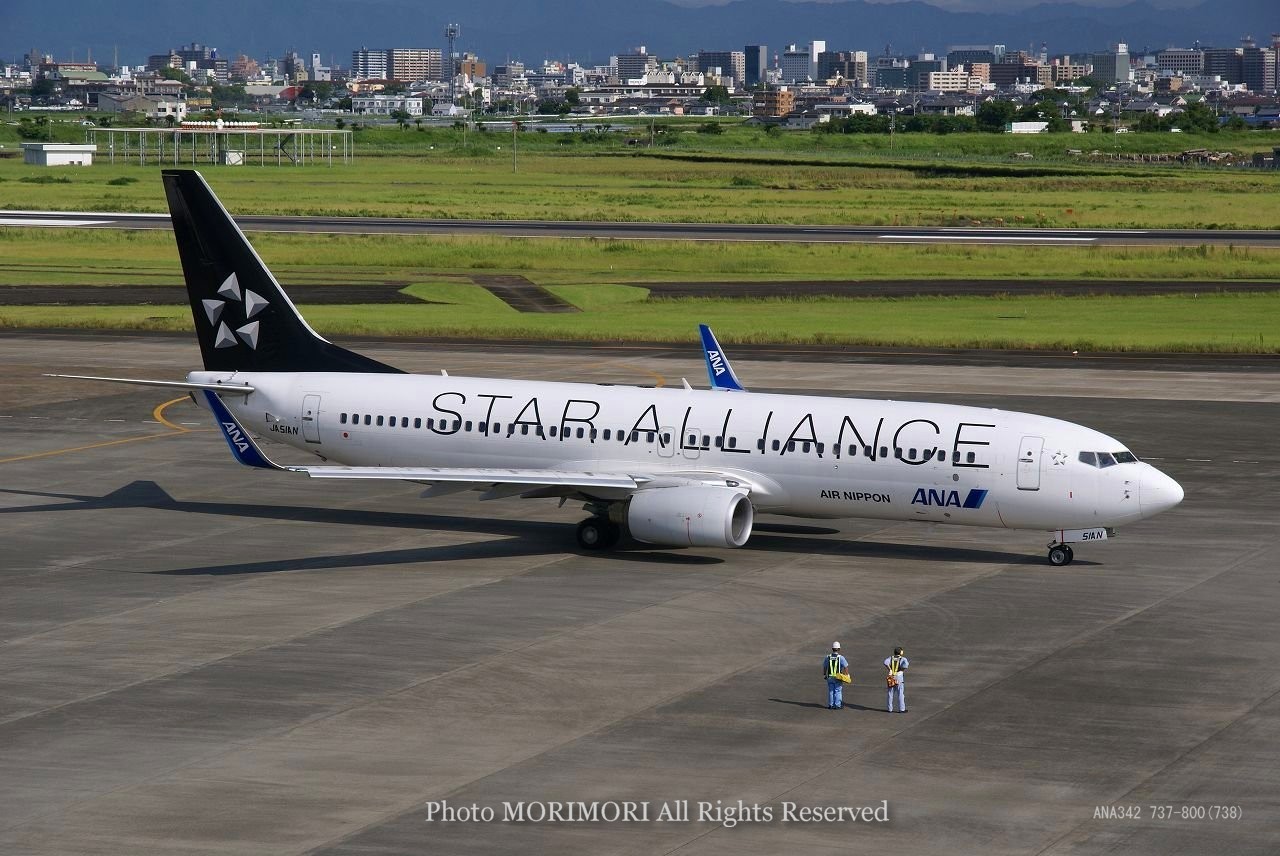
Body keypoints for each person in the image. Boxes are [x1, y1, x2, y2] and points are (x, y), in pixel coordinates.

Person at [823, 642, 849, 709]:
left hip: (829, 677)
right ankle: (837, 705)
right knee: (838, 690)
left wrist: (824, 674)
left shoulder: (828, 657)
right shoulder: (841, 658)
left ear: (832, 648)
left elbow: (825, 666)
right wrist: (847, 675)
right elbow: (846, 667)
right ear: (839, 649)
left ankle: (831, 705)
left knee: (831, 691)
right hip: (837, 677)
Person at [885, 646, 909, 713]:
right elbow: (906, 665)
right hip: (899, 676)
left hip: (891, 676)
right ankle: (902, 709)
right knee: (900, 693)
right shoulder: (903, 659)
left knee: (890, 692)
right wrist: (901, 669)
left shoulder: (891, 658)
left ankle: (889, 709)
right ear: (901, 652)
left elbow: (885, 662)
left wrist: (890, 669)